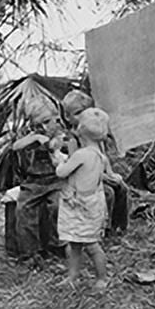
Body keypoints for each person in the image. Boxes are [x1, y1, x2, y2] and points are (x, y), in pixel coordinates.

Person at [51, 107, 113, 290]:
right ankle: (79, 276)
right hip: (92, 203)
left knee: (86, 244)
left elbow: (62, 172)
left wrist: (57, 157)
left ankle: (99, 277)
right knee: (81, 242)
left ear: (80, 130)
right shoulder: (99, 156)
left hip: (78, 206)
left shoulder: (80, 155)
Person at [60, 89, 129, 234]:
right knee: (108, 193)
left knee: (122, 188)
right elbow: (76, 168)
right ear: (67, 117)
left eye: (87, 112)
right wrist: (102, 177)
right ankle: (101, 227)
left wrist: (110, 174)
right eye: (78, 113)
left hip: (98, 174)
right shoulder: (72, 139)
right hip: (83, 179)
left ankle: (119, 226)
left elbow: (103, 158)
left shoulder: (94, 134)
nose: (84, 117)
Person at [11, 96, 66, 264]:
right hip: (33, 182)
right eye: (45, 121)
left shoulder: (57, 130)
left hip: (54, 180)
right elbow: (15, 146)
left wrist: (55, 143)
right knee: (23, 209)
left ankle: (56, 245)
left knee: (57, 205)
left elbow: (61, 143)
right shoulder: (27, 134)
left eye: (53, 120)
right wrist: (34, 138)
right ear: (34, 122)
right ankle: (29, 251)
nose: (50, 124)